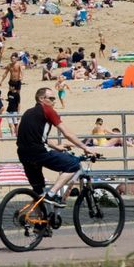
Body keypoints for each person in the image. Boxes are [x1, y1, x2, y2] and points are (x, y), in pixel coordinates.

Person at [16, 88, 96, 220]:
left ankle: (40, 225)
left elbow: (37, 136)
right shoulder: (48, 110)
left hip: (24, 155)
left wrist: (57, 146)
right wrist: (85, 147)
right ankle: (52, 194)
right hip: (39, 152)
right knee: (73, 165)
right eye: (51, 98)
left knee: (38, 191)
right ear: (41, 99)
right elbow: (67, 133)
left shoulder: (28, 113)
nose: (54, 101)